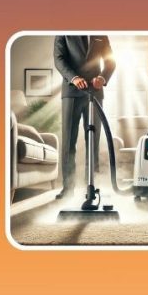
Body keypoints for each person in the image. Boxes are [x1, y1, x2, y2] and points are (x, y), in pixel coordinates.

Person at [53, 35, 115, 199]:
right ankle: (68, 188)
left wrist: (102, 77)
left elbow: (110, 61)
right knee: (68, 142)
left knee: (93, 141)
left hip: (95, 91)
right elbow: (59, 59)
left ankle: (91, 187)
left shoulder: (101, 35)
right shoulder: (64, 33)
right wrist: (73, 78)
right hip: (71, 92)